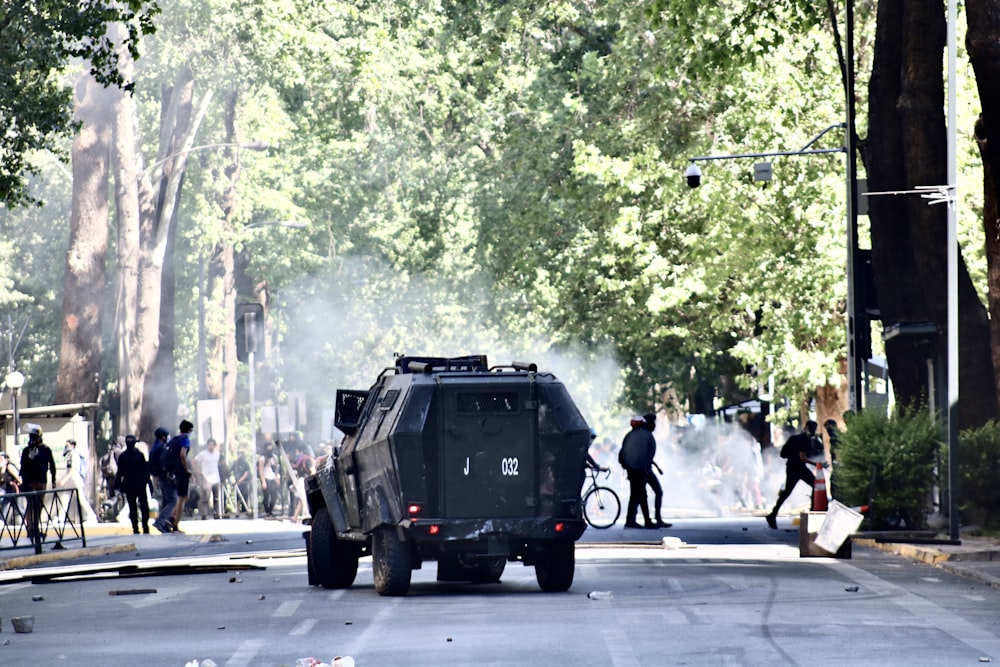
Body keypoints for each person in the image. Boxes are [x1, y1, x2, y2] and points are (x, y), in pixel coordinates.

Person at [766, 420, 820, 529]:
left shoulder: (794, 438)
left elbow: (784, 453)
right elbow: (802, 458)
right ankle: (813, 511)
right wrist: (817, 464)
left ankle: (773, 514)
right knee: (816, 485)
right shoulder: (805, 440)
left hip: (792, 467)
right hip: (798, 468)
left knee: (787, 491)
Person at [619, 416, 663, 529]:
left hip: (635, 470)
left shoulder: (629, 437)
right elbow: (646, 454)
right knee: (641, 495)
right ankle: (644, 521)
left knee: (637, 495)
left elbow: (624, 454)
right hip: (640, 471)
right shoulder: (644, 436)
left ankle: (632, 520)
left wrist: (629, 467)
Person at [19, 424, 56, 537]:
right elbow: (24, 466)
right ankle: (31, 530)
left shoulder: (45, 450)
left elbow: (52, 465)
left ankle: (35, 528)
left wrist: (53, 479)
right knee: (31, 506)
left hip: (41, 482)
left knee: (38, 506)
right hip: (30, 483)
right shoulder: (28, 451)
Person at [114, 435, 153, 534]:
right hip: (139, 485)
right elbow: (146, 471)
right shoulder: (139, 454)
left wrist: (117, 486)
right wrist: (149, 483)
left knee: (133, 507)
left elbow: (119, 473)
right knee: (143, 506)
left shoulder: (123, 456)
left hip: (130, 485)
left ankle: (136, 528)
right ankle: (144, 527)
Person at [57, 438, 98, 524]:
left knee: (81, 499)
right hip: (70, 481)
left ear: (72, 445)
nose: (66, 447)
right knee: (65, 498)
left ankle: (92, 516)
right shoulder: (69, 455)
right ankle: (61, 519)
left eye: (67, 445)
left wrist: (64, 480)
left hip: (75, 480)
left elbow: (73, 470)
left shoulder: (75, 455)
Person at [167, 420, 194, 533]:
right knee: (182, 498)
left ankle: (172, 517)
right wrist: (187, 469)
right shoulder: (185, 440)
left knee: (183, 496)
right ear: (188, 430)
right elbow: (182, 455)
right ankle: (175, 523)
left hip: (173, 471)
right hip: (181, 471)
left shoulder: (174, 439)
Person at [149, 427, 177, 533]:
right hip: (166, 477)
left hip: (160, 477)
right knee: (173, 500)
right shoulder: (162, 448)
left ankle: (165, 525)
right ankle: (160, 522)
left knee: (166, 499)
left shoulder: (155, 447)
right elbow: (165, 462)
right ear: (163, 437)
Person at [193, 438, 222, 520]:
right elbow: (194, 461)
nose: (211, 446)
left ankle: (216, 514)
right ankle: (204, 514)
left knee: (216, 497)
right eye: (210, 444)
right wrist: (198, 471)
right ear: (207, 445)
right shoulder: (203, 454)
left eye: (213, 445)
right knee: (206, 497)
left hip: (216, 477)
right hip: (206, 477)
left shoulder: (217, 454)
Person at [258, 443, 279, 517]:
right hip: (266, 478)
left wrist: (277, 478)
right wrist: (263, 481)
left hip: (272, 478)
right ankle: (267, 511)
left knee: (274, 495)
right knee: (266, 495)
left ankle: (270, 510)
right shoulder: (262, 458)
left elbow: (276, 469)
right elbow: (261, 470)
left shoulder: (274, 458)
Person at [231, 449, 252, 514]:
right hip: (238, 483)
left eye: (241, 455)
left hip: (245, 483)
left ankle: (246, 509)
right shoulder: (235, 463)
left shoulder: (245, 463)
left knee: (245, 496)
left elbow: (246, 473)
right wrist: (232, 480)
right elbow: (230, 471)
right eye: (238, 454)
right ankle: (237, 510)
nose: (239, 456)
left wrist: (240, 481)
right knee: (237, 497)